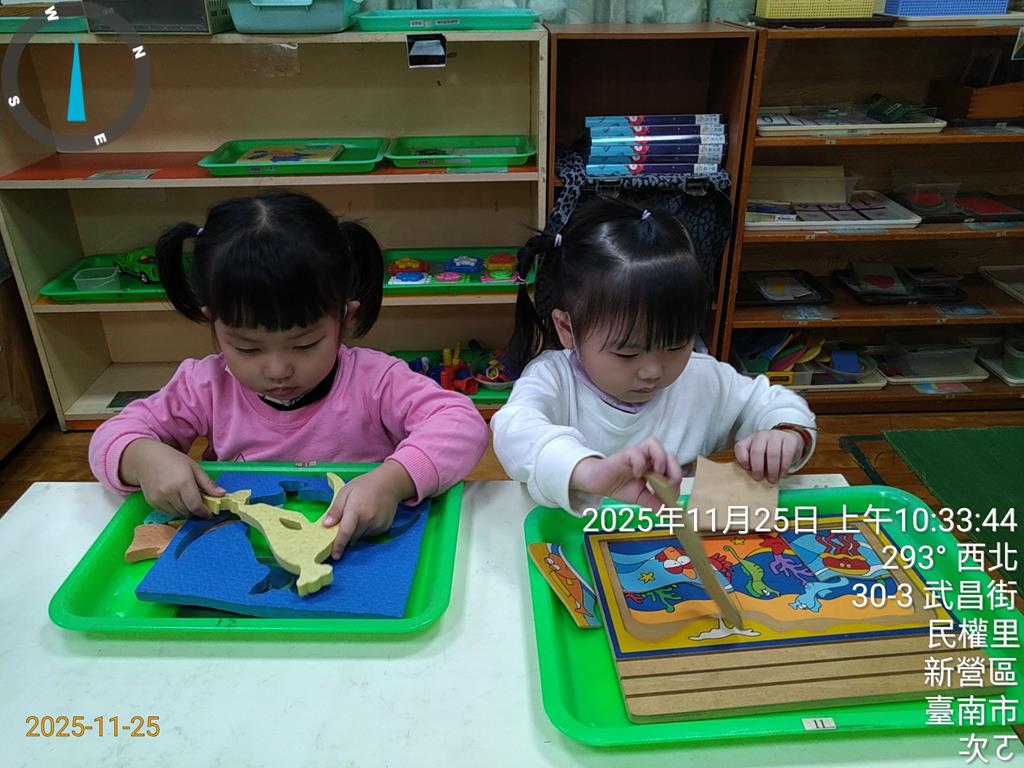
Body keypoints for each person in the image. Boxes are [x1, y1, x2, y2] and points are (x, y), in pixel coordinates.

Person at [89, 190, 489, 558]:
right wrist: (143, 457)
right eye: (247, 348)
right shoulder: (204, 385)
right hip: (236, 556)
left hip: (361, 554)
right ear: (214, 323)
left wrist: (395, 479)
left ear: (344, 317)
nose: (278, 370)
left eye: (305, 344)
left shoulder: (376, 381)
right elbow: (112, 437)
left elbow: (462, 424)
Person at [491, 196, 815, 515]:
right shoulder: (553, 379)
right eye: (627, 353)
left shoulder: (703, 379)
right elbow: (514, 432)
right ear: (567, 329)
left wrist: (785, 434)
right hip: (573, 531)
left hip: (668, 535)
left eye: (676, 346)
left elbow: (770, 402)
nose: (653, 371)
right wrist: (586, 470)